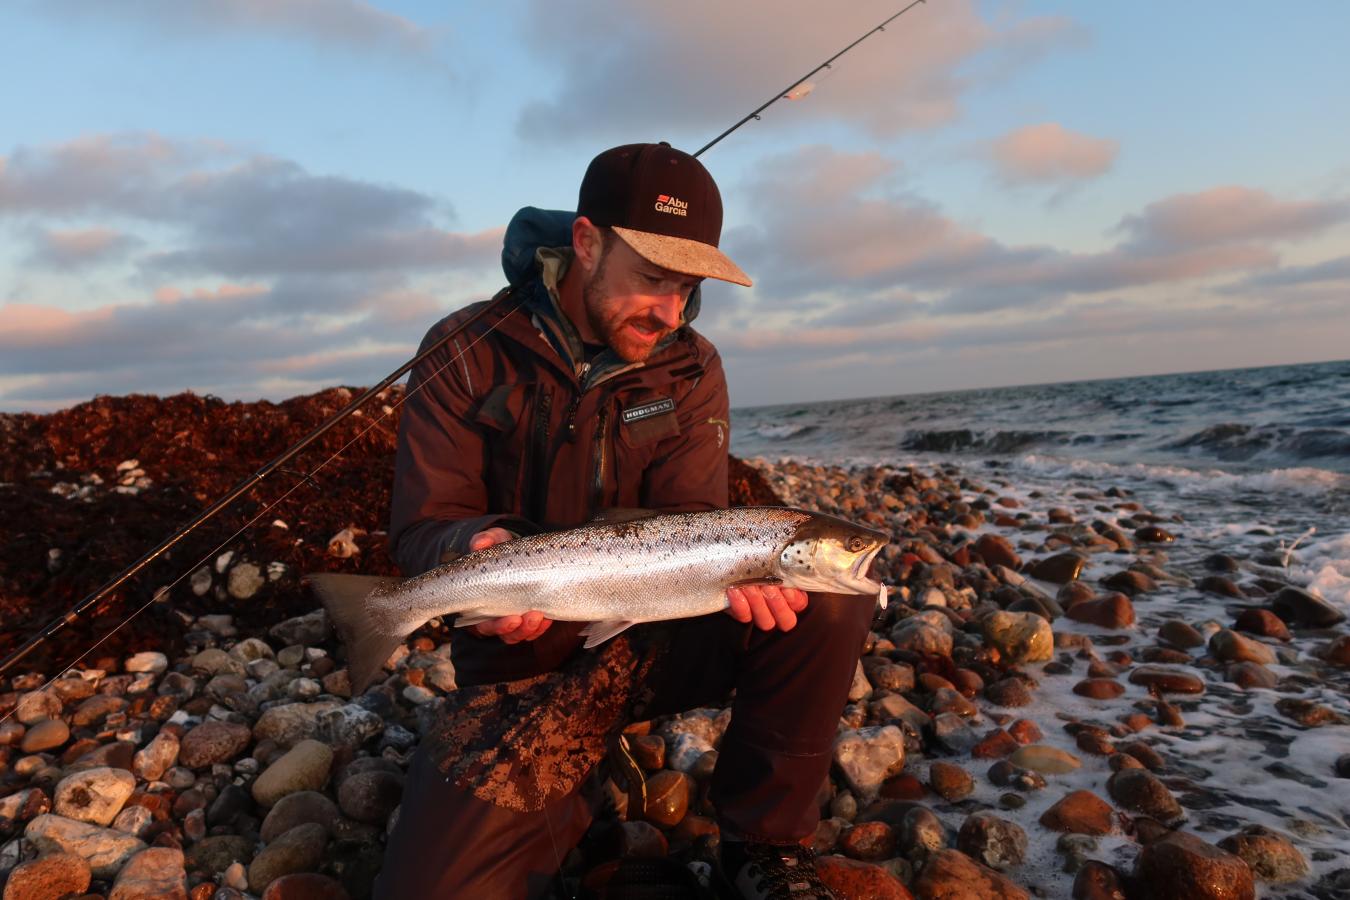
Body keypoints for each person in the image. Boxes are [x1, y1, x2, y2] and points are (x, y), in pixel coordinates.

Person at [375, 143, 875, 899]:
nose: (669, 312)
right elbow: (423, 528)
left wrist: (746, 582)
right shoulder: (466, 350)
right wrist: (470, 546)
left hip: (654, 639)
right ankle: (578, 767)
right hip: (520, 663)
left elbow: (692, 521)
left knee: (830, 601)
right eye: (652, 278)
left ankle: (765, 845)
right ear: (586, 243)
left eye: (688, 287)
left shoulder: (692, 366)